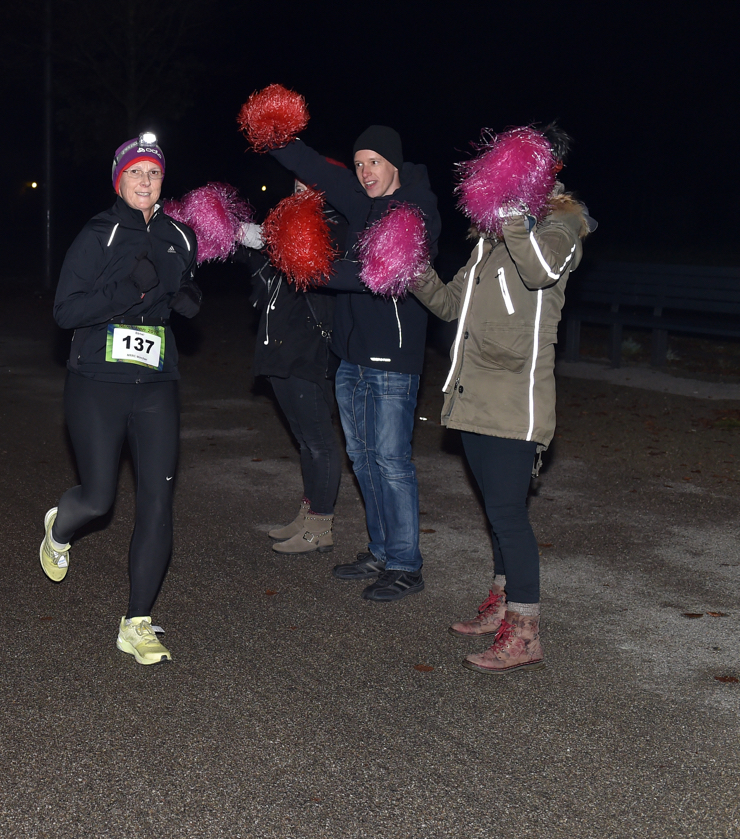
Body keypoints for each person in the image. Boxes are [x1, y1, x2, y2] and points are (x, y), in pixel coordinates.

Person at [410, 125, 592, 673]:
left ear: (547, 173)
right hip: (472, 394)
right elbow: (448, 305)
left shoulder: (563, 224)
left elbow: (538, 270)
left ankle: (527, 632)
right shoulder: (491, 236)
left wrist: (513, 213)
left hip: (517, 396)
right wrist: (410, 270)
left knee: (510, 516)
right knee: (496, 512)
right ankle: (502, 605)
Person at [41, 133, 200, 665]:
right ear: (119, 179)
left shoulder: (181, 235)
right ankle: (60, 526)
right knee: (100, 498)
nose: (145, 182)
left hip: (155, 382)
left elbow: (181, 289)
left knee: (158, 501)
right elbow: (65, 311)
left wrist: (183, 296)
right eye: (135, 173)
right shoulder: (98, 234)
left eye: (153, 173)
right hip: (97, 382)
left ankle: (137, 621)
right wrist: (129, 292)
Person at [269, 126, 440, 601]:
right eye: (360, 162)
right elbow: (317, 169)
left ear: (395, 166)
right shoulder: (362, 201)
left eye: (374, 163)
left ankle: (406, 564)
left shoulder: (416, 209)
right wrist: (275, 136)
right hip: (352, 358)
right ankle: (382, 551)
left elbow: (378, 275)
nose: (364, 172)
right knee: (363, 461)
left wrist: (314, 267)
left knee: (391, 463)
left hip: (392, 359)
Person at [236, 178, 346, 555]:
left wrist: (259, 235)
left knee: (319, 443)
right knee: (305, 442)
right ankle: (308, 515)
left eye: (310, 183)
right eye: (297, 184)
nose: (300, 191)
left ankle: (321, 526)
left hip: (307, 353)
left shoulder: (332, 224)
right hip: (282, 352)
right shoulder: (290, 226)